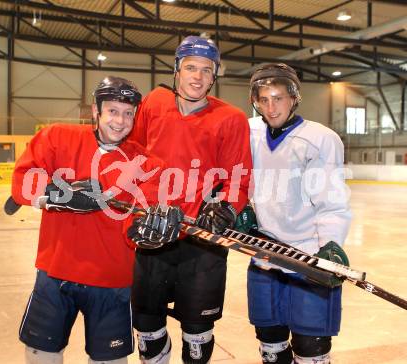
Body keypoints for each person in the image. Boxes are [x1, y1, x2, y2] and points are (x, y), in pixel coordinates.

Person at [12, 76, 163, 364]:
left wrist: (153, 225)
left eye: (128, 113)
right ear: (96, 111)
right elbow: (21, 183)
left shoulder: (147, 164)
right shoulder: (56, 137)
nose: (120, 121)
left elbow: (146, 214)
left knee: (110, 360)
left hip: (112, 280)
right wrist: (57, 196)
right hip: (56, 273)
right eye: (113, 111)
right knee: (41, 354)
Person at [126, 35, 253, 364]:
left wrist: (225, 207)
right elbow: (131, 157)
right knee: (147, 329)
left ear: (214, 77)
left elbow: (238, 178)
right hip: (153, 231)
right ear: (177, 71)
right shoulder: (153, 103)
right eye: (190, 67)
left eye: (206, 70)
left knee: (197, 336)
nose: (197, 76)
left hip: (201, 239)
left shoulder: (231, 118)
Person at [246, 63, 352, 364]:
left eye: (278, 97)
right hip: (264, 256)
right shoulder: (250, 132)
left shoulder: (320, 138)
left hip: (308, 258)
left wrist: (330, 244)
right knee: (271, 348)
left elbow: (331, 200)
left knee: (311, 349)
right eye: (264, 99)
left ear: (294, 98)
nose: (271, 106)